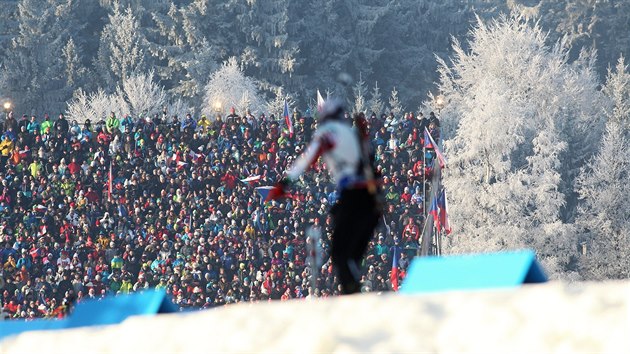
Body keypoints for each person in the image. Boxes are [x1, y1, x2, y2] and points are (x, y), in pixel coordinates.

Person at [267, 99, 382, 294]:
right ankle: (355, 285)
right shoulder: (353, 133)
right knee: (355, 249)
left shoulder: (328, 132)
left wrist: (284, 183)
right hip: (373, 196)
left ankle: (351, 290)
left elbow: (308, 157)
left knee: (338, 251)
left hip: (353, 193)